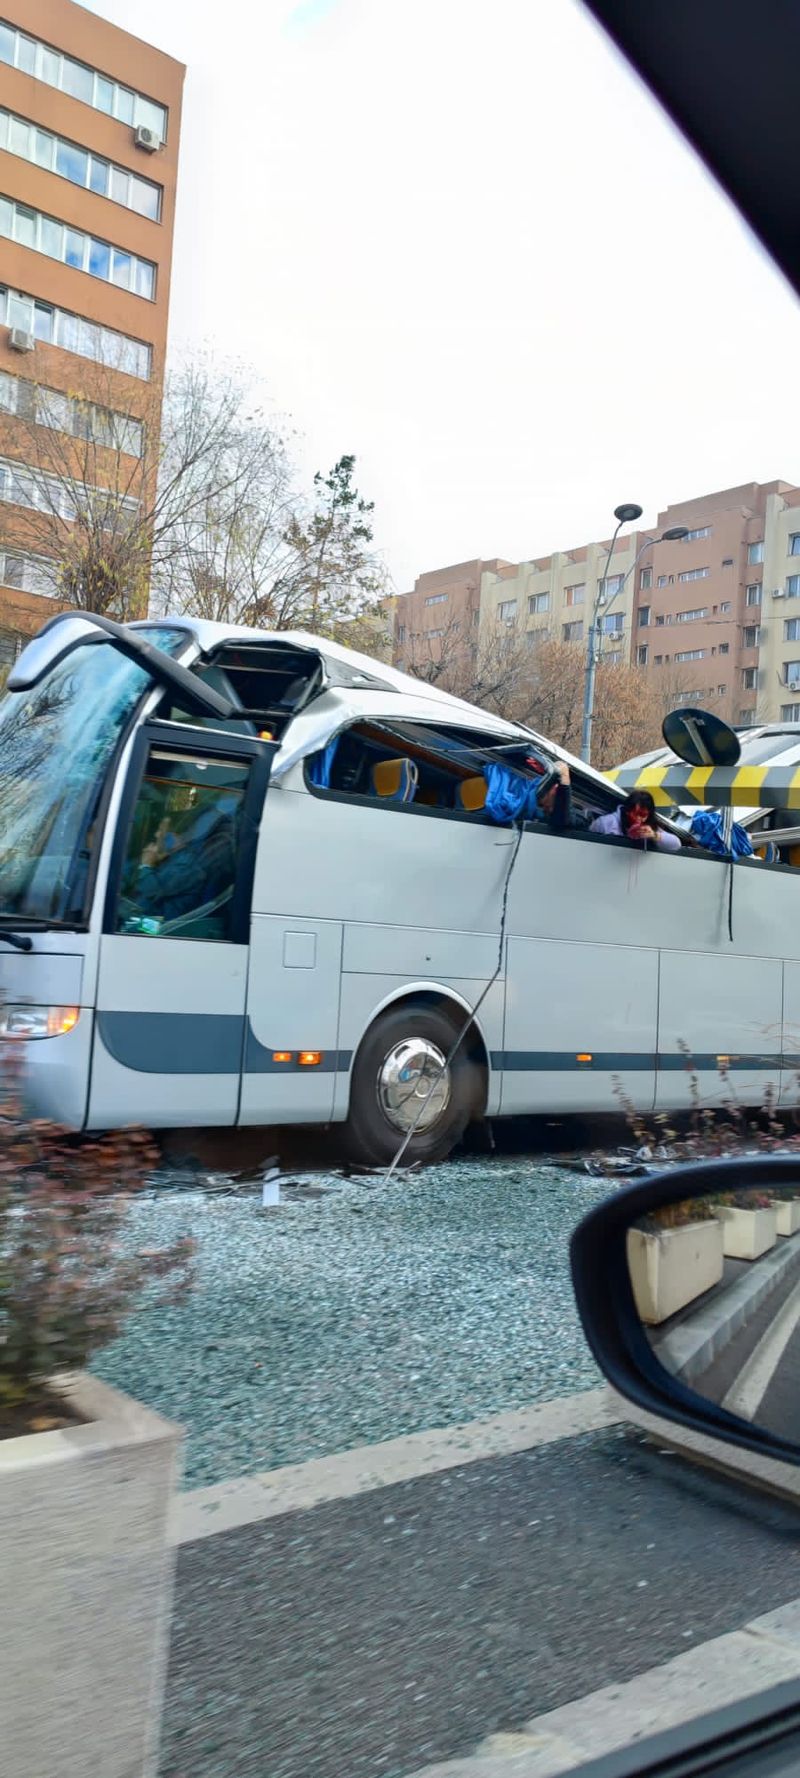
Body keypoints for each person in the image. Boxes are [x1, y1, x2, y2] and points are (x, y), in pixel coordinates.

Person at [590, 790, 681, 851]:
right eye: (636, 814)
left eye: (643, 815)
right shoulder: (605, 822)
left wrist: (654, 835)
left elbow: (676, 844)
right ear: (627, 811)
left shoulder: (648, 827)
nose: (639, 819)